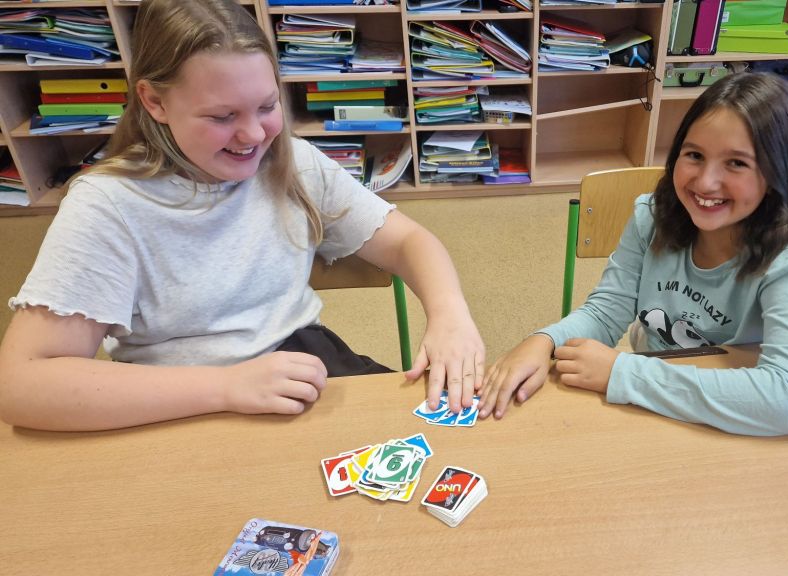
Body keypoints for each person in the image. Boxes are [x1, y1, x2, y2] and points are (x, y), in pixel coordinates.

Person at [0, 0, 484, 432]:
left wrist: (450, 314)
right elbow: (21, 385)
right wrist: (226, 387)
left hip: (302, 365)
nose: (254, 135)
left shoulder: (291, 161)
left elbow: (408, 241)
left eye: (267, 106)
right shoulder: (108, 205)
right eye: (222, 116)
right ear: (155, 101)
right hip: (173, 399)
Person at [478, 72, 788, 436]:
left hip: (729, 413)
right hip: (659, 396)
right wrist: (544, 341)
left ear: (778, 171)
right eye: (694, 155)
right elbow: (607, 312)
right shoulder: (653, 216)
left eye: (737, 163)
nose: (705, 182)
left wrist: (623, 373)